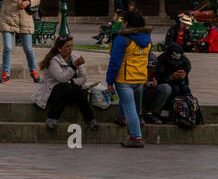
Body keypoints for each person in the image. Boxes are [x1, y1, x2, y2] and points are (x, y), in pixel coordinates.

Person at [106, 9, 152, 148]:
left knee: (130, 107)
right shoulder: (147, 39)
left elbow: (115, 61)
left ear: (126, 23)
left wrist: (110, 80)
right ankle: (121, 117)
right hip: (140, 77)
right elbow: (148, 58)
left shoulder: (122, 38)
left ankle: (136, 137)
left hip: (125, 78)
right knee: (131, 104)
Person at [32, 34, 97, 130]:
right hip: (52, 92)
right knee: (65, 87)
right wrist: (74, 66)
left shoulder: (75, 57)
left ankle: (90, 119)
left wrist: (71, 81)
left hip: (69, 90)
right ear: (59, 49)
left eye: (71, 45)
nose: (70, 49)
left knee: (78, 90)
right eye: (67, 46)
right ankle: (52, 118)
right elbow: (61, 79)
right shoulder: (53, 61)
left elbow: (83, 78)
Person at [146, 41, 191, 123]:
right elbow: (157, 81)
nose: (175, 65)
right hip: (161, 88)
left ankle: (181, 114)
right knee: (171, 88)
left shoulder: (185, 63)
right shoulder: (161, 62)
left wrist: (183, 79)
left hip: (176, 87)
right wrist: (170, 78)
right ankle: (157, 113)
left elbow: (186, 86)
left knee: (184, 89)